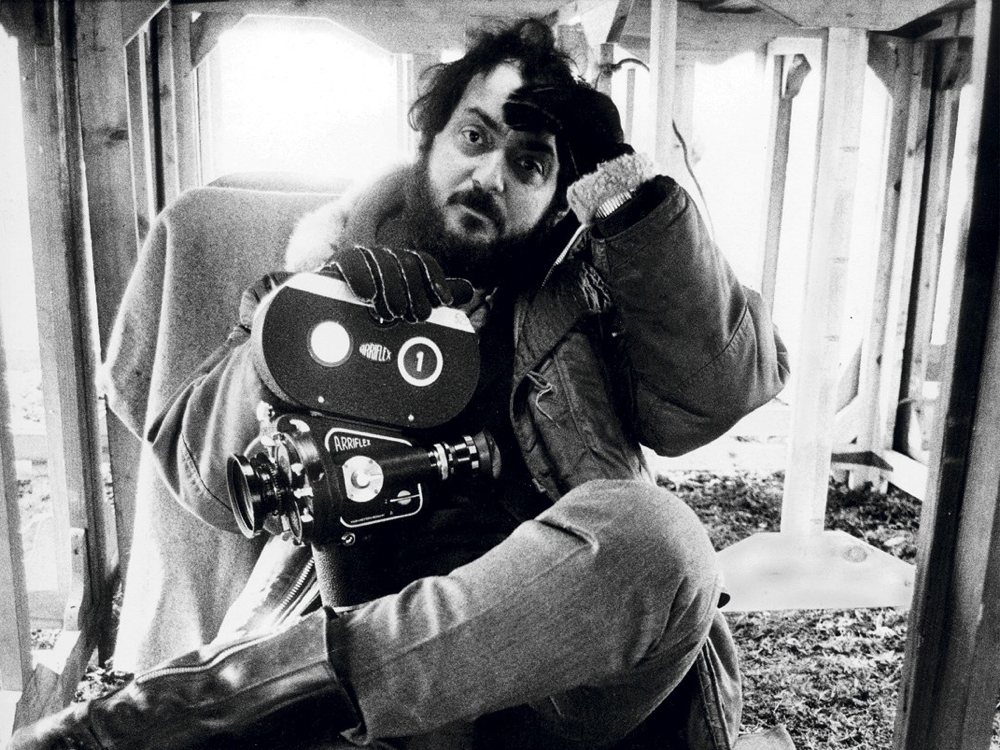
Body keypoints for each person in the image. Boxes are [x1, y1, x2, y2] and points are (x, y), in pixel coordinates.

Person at [10, 18, 788, 750]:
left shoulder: (591, 294)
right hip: (367, 676)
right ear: (429, 139)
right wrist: (301, 334)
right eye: (474, 137)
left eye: (529, 164)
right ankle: (169, 719)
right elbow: (209, 486)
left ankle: (174, 722)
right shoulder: (321, 284)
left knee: (661, 541)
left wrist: (625, 189)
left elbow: (721, 392)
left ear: (559, 196)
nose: (490, 176)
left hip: (562, 683)